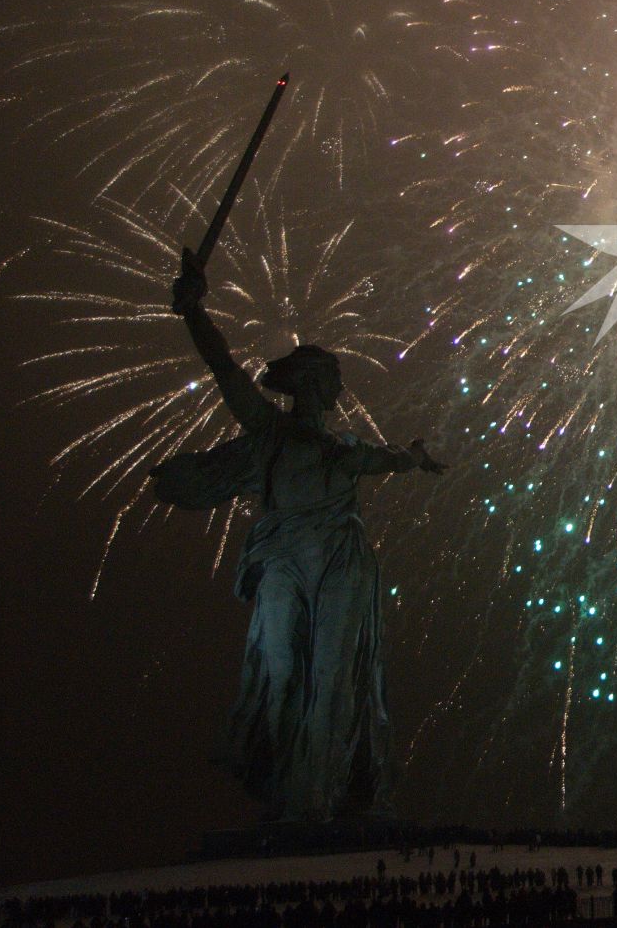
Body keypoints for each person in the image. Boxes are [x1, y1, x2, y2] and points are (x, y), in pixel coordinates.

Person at [152, 248, 447, 822]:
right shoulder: (269, 429)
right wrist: (194, 311)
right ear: (303, 387)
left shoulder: (344, 451)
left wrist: (415, 458)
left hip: (341, 561)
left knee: (334, 679)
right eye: (324, 384)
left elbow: (392, 459)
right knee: (282, 671)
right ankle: (291, 793)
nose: (330, 394)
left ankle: (316, 800)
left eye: (332, 386)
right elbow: (225, 370)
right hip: (286, 559)